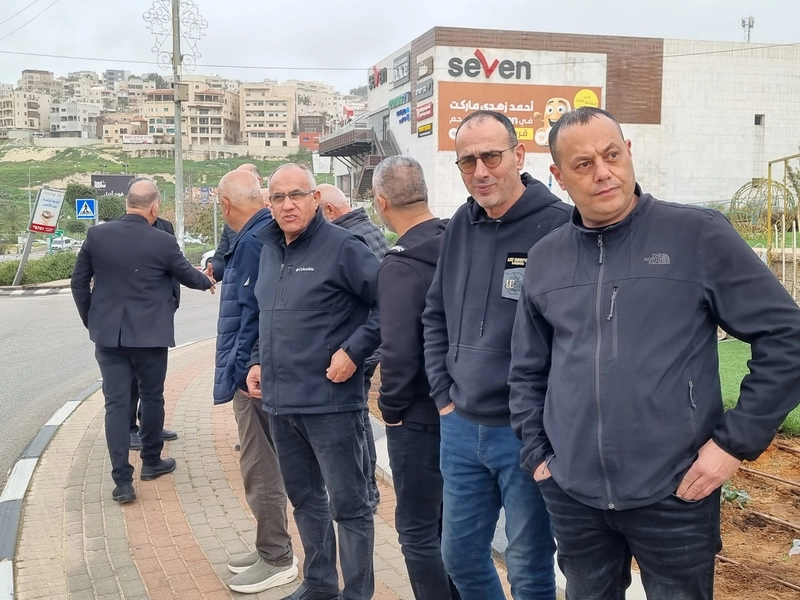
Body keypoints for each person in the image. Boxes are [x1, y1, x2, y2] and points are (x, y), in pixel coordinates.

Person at [509, 106, 800, 600]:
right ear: (558, 175)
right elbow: (527, 368)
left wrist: (732, 445)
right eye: (583, 164)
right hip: (574, 495)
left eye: (612, 155)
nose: (603, 172)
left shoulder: (696, 235)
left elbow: (786, 336)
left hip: (678, 490)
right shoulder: (546, 258)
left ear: (628, 152)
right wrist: (540, 455)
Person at [422, 110, 568, 599]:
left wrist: (542, 420)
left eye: (491, 156)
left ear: (519, 155)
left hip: (525, 431)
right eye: (468, 161)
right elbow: (435, 314)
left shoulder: (559, 227)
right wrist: (443, 395)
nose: (480, 171)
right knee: (460, 556)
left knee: (528, 567)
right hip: (460, 426)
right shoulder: (459, 226)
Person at [246, 164, 380, 600]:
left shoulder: (344, 247)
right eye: (278, 197)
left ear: (316, 199)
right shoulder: (269, 250)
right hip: (281, 405)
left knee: (350, 507)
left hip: (331, 405)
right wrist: (256, 360)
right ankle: (319, 584)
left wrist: (354, 351)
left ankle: (356, 593)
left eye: (297, 195)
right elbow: (267, 315)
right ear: (268, 204)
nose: (288, 204)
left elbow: (390, 305)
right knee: (305, 500)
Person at [71, 178, 215, 504]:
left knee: (115, 404)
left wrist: (91, 319)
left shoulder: (97, 235)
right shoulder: (162, 240)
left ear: (127, 204)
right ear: (154, 208)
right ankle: (151, 462)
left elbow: (79, 283)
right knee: (152, 398)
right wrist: (207, 279)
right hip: (151, 337)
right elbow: (187, 276)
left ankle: (122, 482)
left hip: (109, 337)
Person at [372, 156, 459, 600]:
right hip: (461, 406)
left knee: (418, 530)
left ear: (381, 202)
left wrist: (389, 407)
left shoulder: (401, 264)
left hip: (419, 415)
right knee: (453, 525)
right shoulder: (459, 243)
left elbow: (399, 350)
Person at [211, 169, 298, 593]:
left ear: (225, 205)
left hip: (254, 375)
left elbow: (257, 313)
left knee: (260, 467)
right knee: (260, 465)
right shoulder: (260, 234)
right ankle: (270, 546)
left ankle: (277, 556)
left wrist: (246, 367)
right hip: (258, 369)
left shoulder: (254, 241)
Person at [318, 182, 388, 513]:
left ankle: (366, 490)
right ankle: (367, 488)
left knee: (356, 421)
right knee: (359, 417)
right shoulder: (367, 228)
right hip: (368, 345)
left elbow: (378, 300)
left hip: (359, 348)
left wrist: (353, 349)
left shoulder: (350, 239)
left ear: (330, 211)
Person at [129, 215, 180, 450]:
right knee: (131, 380)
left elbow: (173, 264)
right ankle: (129, 428)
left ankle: (151, 427)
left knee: (154, 383)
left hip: (159, 314)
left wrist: (174, 298)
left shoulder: (164, 227)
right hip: (131, 317)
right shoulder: (120, 228)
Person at [206, 163, 264, 282]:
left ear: (258, 182)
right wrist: (212, 271)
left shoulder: (273, 219)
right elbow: (222, 256)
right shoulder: (231, 224)